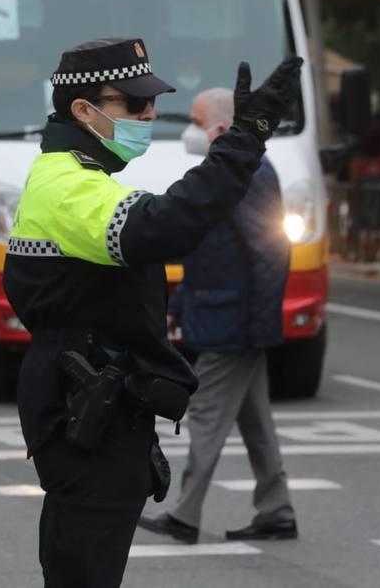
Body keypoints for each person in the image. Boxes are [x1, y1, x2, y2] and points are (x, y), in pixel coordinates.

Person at [3, 37, 303, 588]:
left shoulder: (72, 175)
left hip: (88, 409)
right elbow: (166, 225)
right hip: (87, 416)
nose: (148, 115)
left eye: (151, 104)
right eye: (134, 105)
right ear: (82, 110)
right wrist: (245, 140)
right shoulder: (68, 185)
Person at [139, 87, 297, 545]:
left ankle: (185, 515)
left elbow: (269, 252)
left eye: (195, 120)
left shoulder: (249, 174)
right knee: (254, 420)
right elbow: (208, 249)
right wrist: (180, 307)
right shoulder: (223, 172)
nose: (188, 130)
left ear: (222, 128)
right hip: (226, 316)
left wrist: (260, 327)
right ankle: (277, 509)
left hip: (235, 323)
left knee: (206, 414)